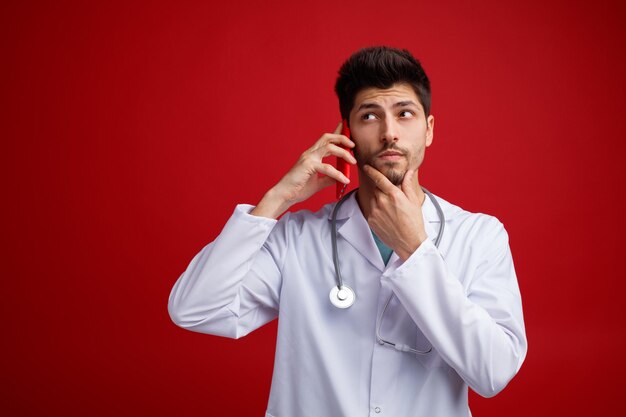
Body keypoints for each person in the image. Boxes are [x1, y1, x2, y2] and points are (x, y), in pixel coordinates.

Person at [168, 46, 527, 417]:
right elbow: (195, 309)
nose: (390, 133)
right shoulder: (298, 238)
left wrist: (416, 251)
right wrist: (277, 198)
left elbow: (494, 372)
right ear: (347, 132)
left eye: (405, 114)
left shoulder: (479, 236)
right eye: (370, 115)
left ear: (429, 130)